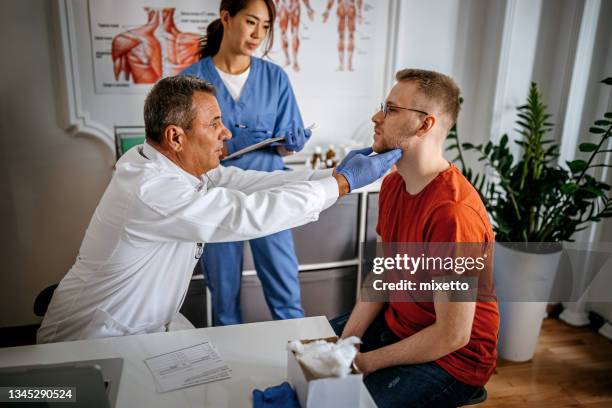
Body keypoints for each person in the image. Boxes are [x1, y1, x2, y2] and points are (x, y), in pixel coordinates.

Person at [37, 75, 401, 344]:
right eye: (214, 124)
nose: (226, 133)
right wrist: (341, 184)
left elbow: (255, 184)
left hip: (148, 326)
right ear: (176, 136)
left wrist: (332, 174)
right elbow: (247, 213)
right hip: (95, 337)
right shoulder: (151, 189)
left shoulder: (170, 165)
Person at [330, 69, 499, 407]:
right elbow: (382, 273)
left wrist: (363, 363)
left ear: (425, 125)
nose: (377, 117)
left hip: (453, 360)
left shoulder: (453, 214)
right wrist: (345, 345)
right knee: (307, 350)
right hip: (400, 323)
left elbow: (453, 335)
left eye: (391, 110)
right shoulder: (393, 185)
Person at [179, 0, 314, 326]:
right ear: (226, 17)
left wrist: (289, 143)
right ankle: (232, 372)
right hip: (217, 198)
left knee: (286, 292)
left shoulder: (275, 77)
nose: (258, 34)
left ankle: (305, 367)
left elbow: (284, 146)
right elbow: (181, 149)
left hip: (269, 194)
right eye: (251, 22)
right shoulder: (191, 81)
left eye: (265, 27)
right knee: (223, 296)